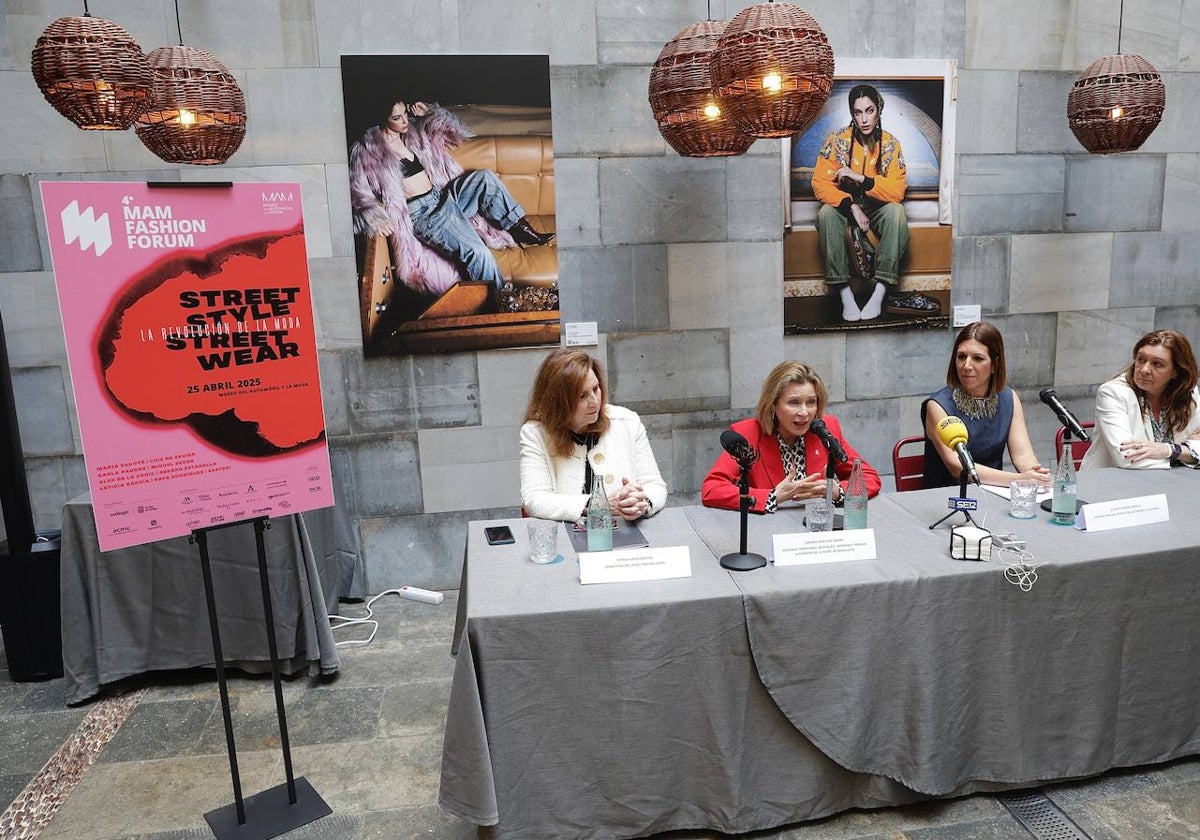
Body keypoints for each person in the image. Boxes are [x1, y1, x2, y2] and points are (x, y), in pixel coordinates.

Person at [348, 99, 554, 297]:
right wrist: (374, 217)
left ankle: (520, 229)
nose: (404, 121)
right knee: (477, 252)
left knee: (484, 178)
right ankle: (500, 302)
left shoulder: (412, 132)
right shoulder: (366, 151)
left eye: (404, 114)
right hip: (423, 214)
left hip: (441, 196)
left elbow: (454, 133)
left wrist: (429, 113)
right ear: (382, 119)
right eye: (396, 118)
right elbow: (358, 193)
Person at [812, 84, 933, 323]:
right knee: (826, 213)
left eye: (869, 110)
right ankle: (845, 294)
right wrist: (851, 207)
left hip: (878, 207)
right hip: (847, 207)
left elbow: (897, 191)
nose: (864, 119)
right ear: (852, 114)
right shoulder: (837, 141)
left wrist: (863, 180)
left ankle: (879, 294)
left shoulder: (890, 144)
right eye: (858, 112)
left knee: (897, 212)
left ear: (879, 110)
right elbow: (820, 183)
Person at [701, 361, 880, 512]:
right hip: (767, 532)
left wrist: (838, 491)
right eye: (794, 402)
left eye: (811, 402)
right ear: (773, 405)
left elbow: (869, 477)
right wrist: (773, 496)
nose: (804, 413)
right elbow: (712, 489)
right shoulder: (748, 433)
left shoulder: (825, 429)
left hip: (816, 530)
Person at [519, 349, 667, 522]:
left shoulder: (627, 421)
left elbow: (655, 486)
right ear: (559, 402)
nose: (594, 401)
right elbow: (534, 499)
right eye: (582, 396)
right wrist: (596, 504)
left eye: (595, 389)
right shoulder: (535, 433)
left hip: (625, 531)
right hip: (567, 537)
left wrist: (642, 502)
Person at [921, 322, 1050, 488]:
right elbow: (957, 466)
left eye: (977, 358)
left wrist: (1035, 475)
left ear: (995, 365)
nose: (966, 366)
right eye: (961, 357)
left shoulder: (1009, 398)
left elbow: (1023, 455)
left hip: (995, 494)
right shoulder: (937, 405)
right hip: (947, 498)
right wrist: (1018, 479)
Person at [1080, 329, 1200, 470]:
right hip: (1114, 484)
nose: (1144, 370)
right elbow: (1127, 457)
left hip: (1173, 482)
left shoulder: (1187, 392)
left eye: (1157, 364)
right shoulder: (1113, 392)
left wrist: (1167, 450)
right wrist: (1183, 453)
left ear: (1176, 371)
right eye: (1141, 360)